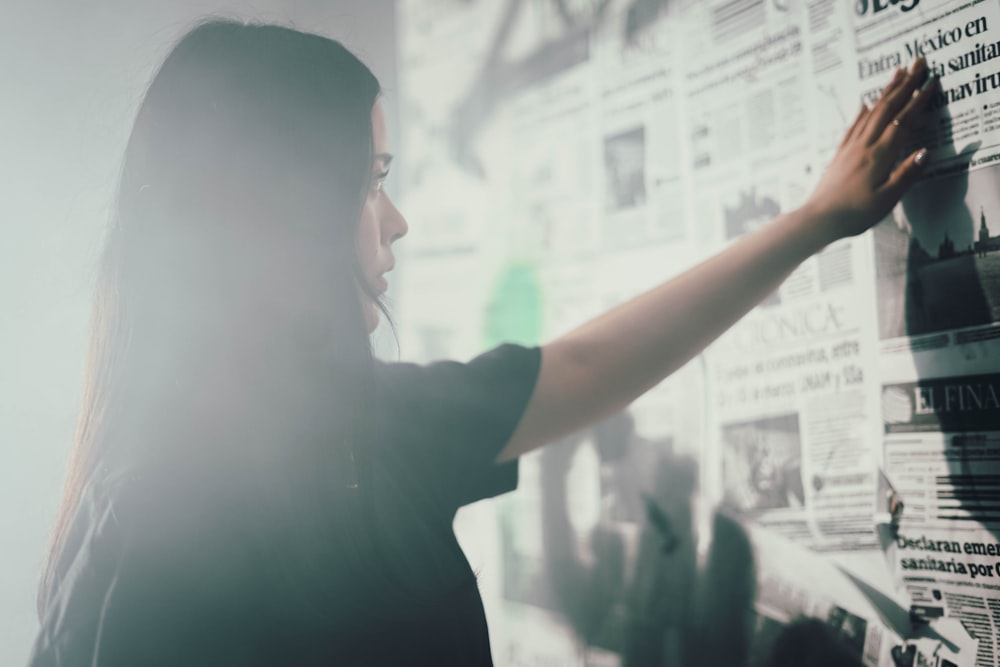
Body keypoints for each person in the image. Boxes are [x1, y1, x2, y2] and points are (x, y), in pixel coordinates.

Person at [28, 18, 937, 667]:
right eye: (369, 181)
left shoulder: (373, 427)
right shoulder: (154, 530)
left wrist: (818, 221)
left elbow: (589, 364)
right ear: (283, 210)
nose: (398, 220)